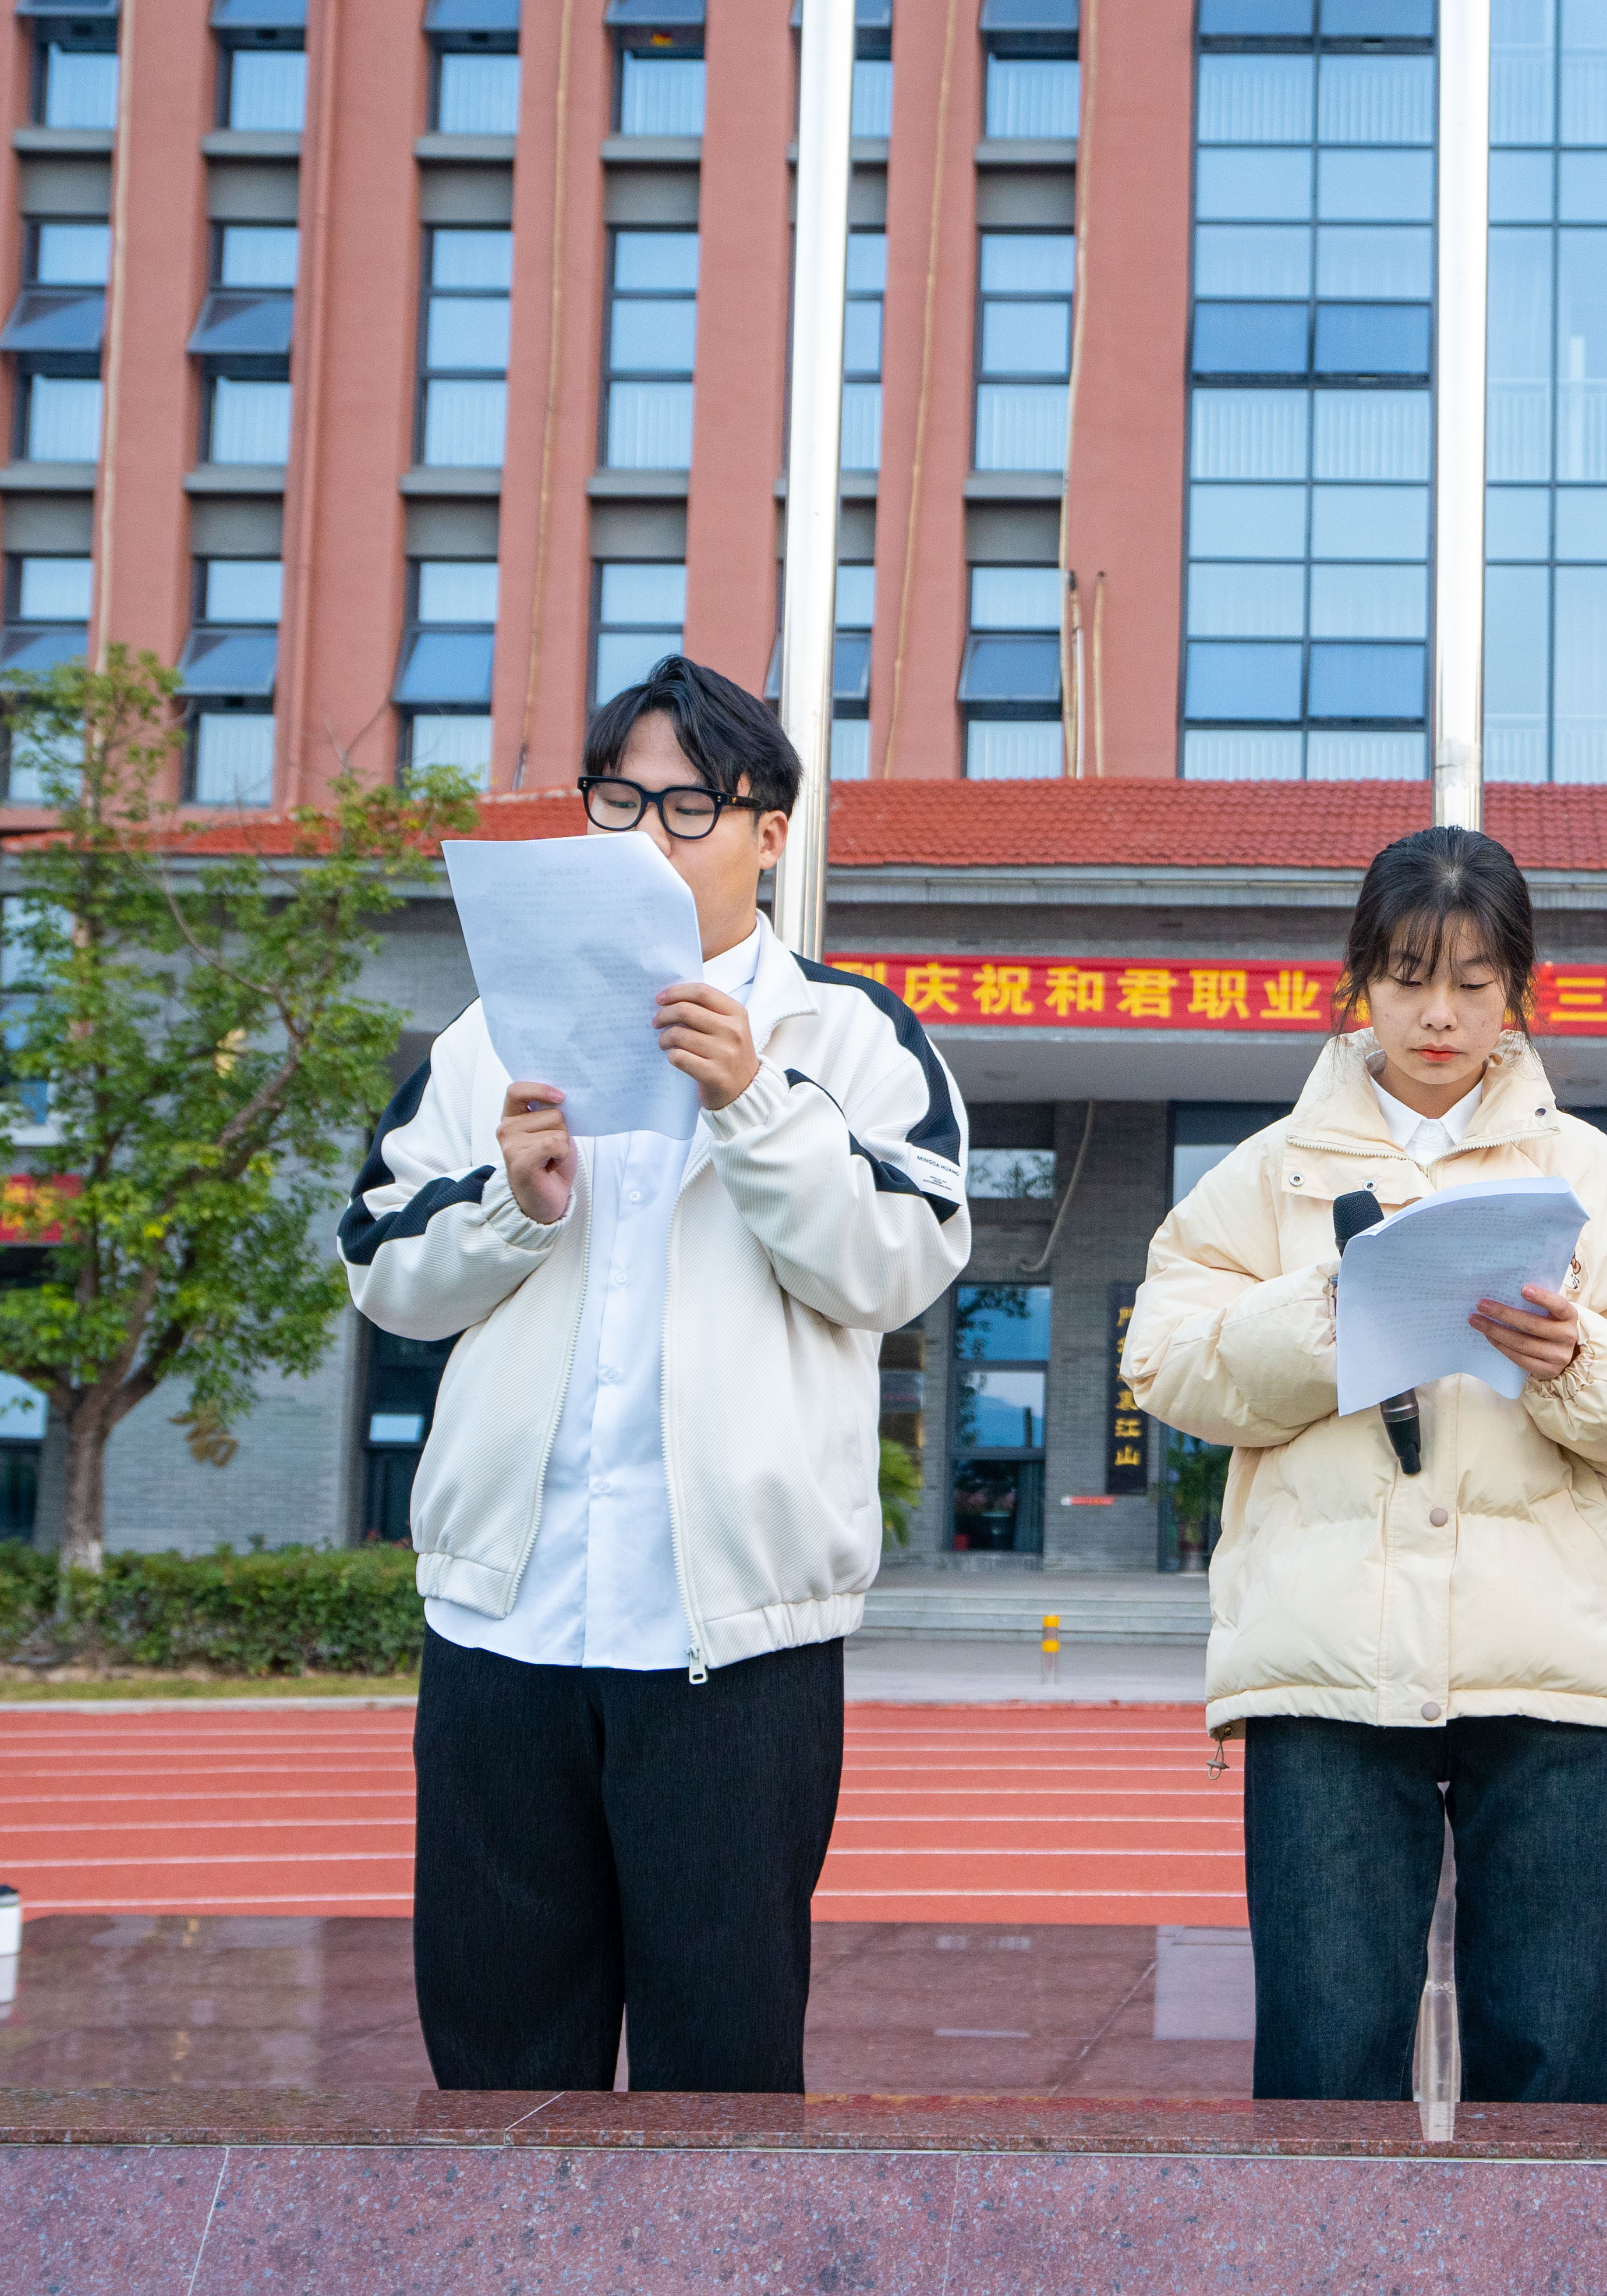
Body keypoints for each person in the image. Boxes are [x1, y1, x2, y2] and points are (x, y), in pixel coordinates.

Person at [345, 656, 971, 2093]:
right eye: (618, 801)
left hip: (733, 1643)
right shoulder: (492, 1035)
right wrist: (512, 1206)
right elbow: (382, 1265)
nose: (647, 838)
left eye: (690, 808)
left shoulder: (850, 1036)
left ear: (770, 832)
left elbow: (895, 1264)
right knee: (498, 2060)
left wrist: (753, 1102)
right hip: (505, 1626)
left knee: (723, 2070)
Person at [1124, 827, 1607, 2104]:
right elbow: (1164, 1364)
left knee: (1550, 2061)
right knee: (1325, 2055)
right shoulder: (1273, 1174)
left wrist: (1575, 1359)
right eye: (1408, 978)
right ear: (1361, 978)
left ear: (1519, 987)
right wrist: (1327, 1310)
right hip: (1327, 1664)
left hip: (1549, 1666)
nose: (1440, 1014)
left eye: (1472, 980)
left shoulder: (1586, 1174)